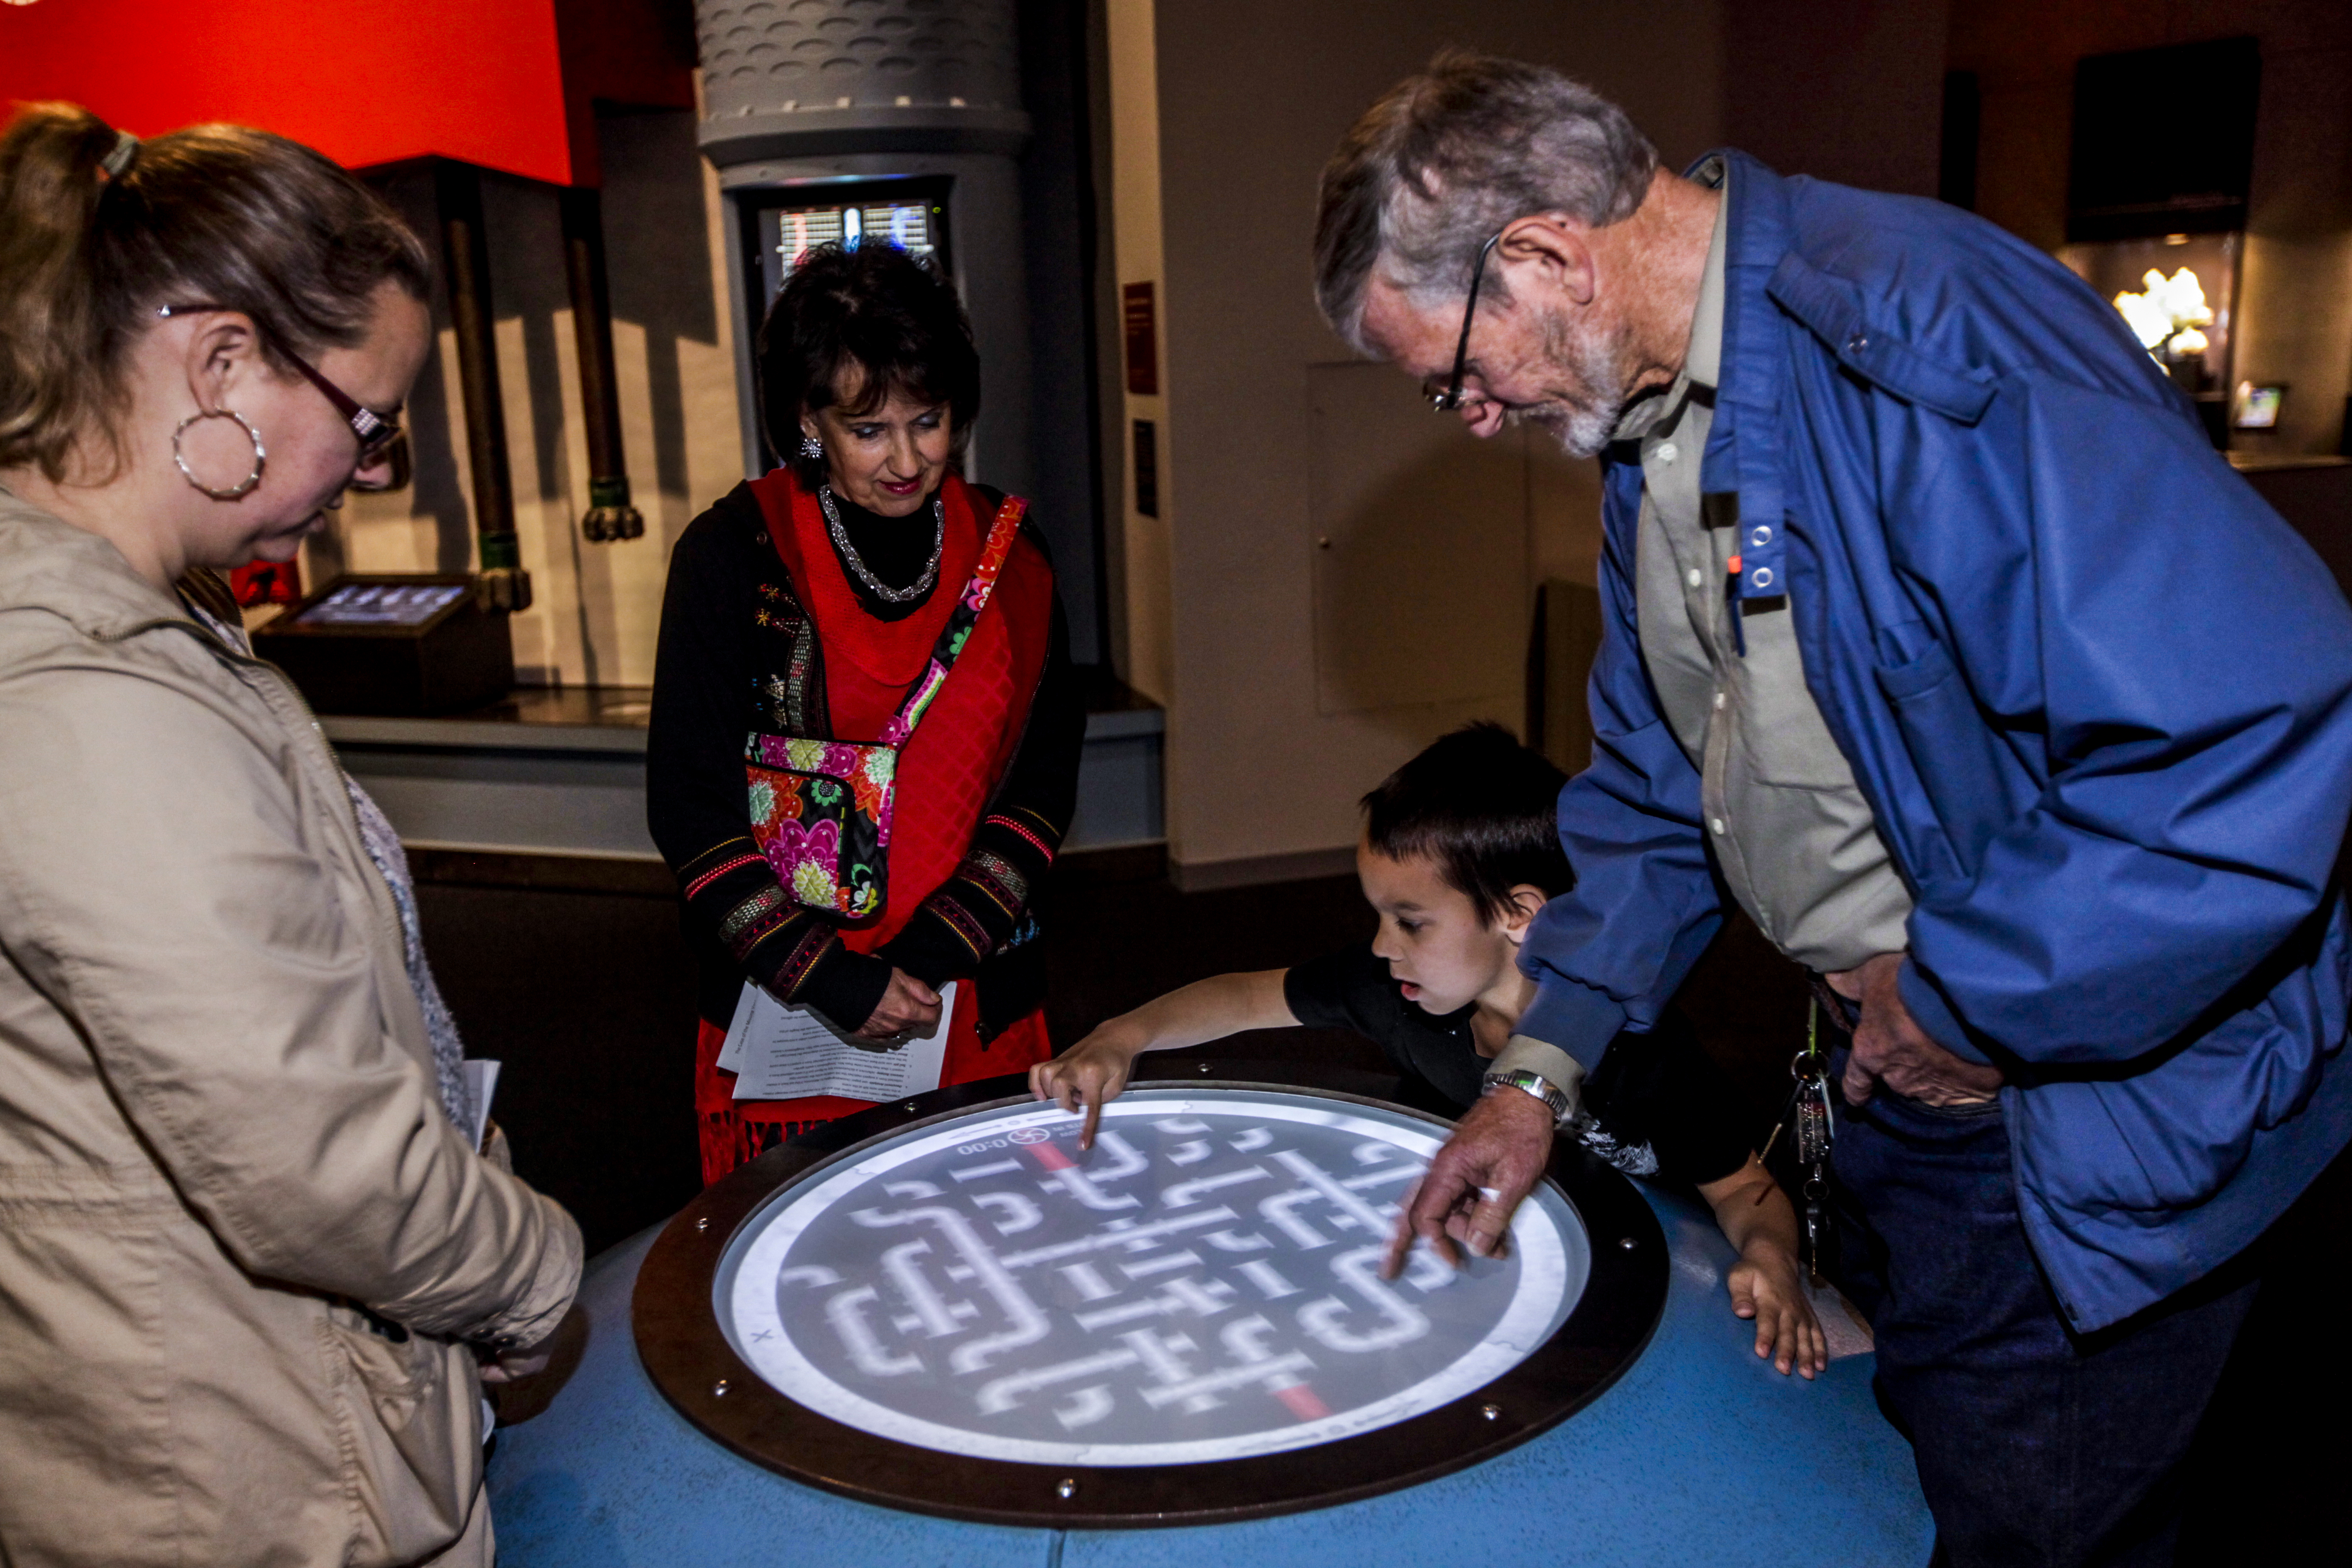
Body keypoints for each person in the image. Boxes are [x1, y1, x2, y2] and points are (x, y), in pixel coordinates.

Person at [1311, 50, 2352, 1567]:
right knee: (1932, 1471)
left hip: (2055, 1095)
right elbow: (1658, 786)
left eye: (1452, 375)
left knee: (2038, 1526)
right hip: (1899, 1070)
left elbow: (2254, 727)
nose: (1470, 417)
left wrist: (1969, 1003)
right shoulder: (1649, 421)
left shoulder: (1926, 333)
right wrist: (1534, 1078)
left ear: (1543, 256)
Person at [0, 106, 582, 1566]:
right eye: (370, 419)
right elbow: (314, 1160)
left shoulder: (153, 624)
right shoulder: (88, 696)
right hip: (235, 1475)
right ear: (220, 364)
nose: (378, 469)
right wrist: (534, 1268)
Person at [1034, 724, 1829, 1375]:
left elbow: (1745, 1189)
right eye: (1379, 917)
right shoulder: (1399, 990)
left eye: (1411, 922)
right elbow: (1246, 995)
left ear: (1519, 914)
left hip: (1645, 1291)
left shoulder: (1637, 1045)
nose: (1383, 947)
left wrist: (1770, 1259)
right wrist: (1121, 1036)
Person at [650, 241, 1085, 1184]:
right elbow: (689, 805)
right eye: (868, 429)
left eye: (929, 421)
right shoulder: (733, 555)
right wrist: (830, 978)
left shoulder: (1017, 553)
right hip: (794, 1011)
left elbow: (1043, 784)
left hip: (969, 990)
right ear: (809, 421)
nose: (908, 459)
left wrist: (931, 956)